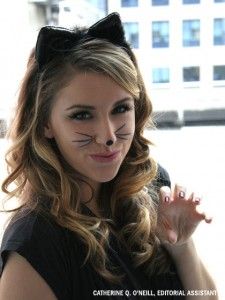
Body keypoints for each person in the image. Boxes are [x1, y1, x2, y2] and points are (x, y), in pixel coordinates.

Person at [0, 13, 217, 300]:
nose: (108, 135)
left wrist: (180, 245)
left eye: (120, 109)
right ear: (45, 123)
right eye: (82, 115)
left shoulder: (151, 185)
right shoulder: (35, 246)